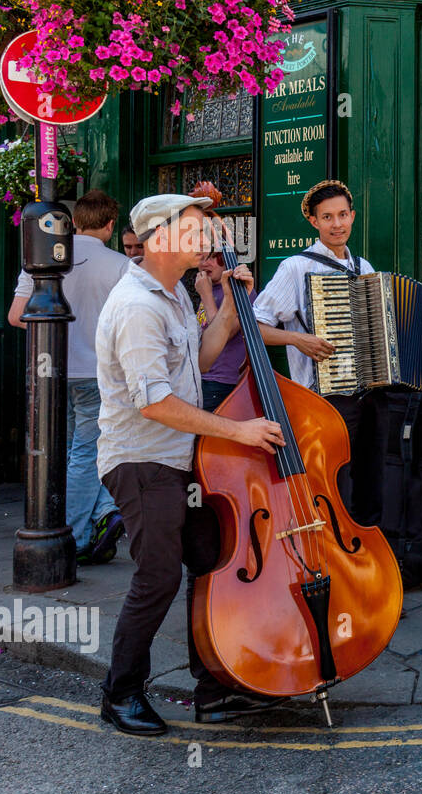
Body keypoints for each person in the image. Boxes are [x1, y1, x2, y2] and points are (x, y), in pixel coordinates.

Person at [95, 193, 286, 735]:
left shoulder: (175, 293)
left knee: (210, 560)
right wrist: (239, 430)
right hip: (143, 459)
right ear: (160, 238)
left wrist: (230, 310)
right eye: (196, 229)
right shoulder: (137, 305)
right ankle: (121, 693)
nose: (207, 239)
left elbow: (199, 362)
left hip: (182, 457)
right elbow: (153, 400)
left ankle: (214, 687)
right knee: (157, 577)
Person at [251, 180, 422, 509]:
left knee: (372, 484)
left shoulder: (363, 268)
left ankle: (365, 552)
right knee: (331, 484)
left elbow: (387, 333)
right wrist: (298, 339)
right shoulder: (295, 268)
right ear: (314, 222)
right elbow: (255, 327)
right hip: (325, 400)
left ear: (352, 216)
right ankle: (328, 556)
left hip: (372, 396)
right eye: (327, 217)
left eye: (342, 215)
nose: (337, 224)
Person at [7, 189, 130, 565]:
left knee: (67, 451)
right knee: (88, 452)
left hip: (54, 370)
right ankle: (79, 532)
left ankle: (98, 517)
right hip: (100, 374)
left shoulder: (43, 257)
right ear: (111, 225)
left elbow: (16, 316)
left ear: (74, 222)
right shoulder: (120, 266)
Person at [193, 235, 255, 411]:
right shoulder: (208, 287)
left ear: (227, 259)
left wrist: (205, 295)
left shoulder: (240, 290)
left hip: (223, 382)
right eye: (201, 257)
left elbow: (223, 334)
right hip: (203, 377)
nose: (205, 264)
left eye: (213, 257)